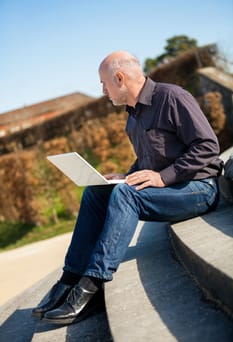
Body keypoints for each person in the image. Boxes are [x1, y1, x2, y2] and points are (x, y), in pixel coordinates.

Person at [31, 50, 223, 325]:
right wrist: (124, 175)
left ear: (119, 78)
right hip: (170, 191)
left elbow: (207, 146)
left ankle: (93, 285)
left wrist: (163, 177)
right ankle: (70, 277)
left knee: (126, 195)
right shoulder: (133, 117)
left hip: (200, 188)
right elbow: (149, 159)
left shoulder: (172, 97)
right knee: (98, 191)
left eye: (103, 83)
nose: (102, 90)